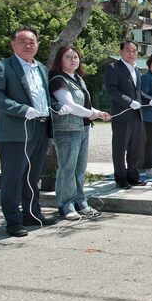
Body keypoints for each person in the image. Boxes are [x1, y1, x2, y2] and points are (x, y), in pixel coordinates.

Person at [0, 28, 56, 237]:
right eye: (23, 41)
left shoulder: (41, 68)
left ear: (37, 44)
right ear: (13, 44)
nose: (28, 45)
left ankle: (31, 214)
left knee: (32, 175)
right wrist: (23, 110)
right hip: (15, 131)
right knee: (13, 177)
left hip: (39, 127)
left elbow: (43, 97)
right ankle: (13, 220)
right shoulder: (1, 67)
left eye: (32, 41)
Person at [49, 46, 110, 219]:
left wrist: (97, 112)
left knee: (80, 168)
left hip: (82, 128)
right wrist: (92, 114)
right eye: (68, 57)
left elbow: (84, 107)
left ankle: (80, 201)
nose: (73, 59)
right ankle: (65, 204)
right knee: (67, 167)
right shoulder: (58, 80)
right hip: (67, 129)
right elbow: (71, 106)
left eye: (76, 57)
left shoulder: (78, 79)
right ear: (60, 60)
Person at [104, 40, 152, 189]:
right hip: (122, 115)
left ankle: (133, 175)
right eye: (128, 51)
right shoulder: (113, 68)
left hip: (137, 116)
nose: (132, 54)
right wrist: (129, 101)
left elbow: (139, 93)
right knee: (120, 148)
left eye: (134, 51)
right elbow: (112, 90)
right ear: (121, 52)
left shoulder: (136, 70)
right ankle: (120, 178)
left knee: (135, 148)